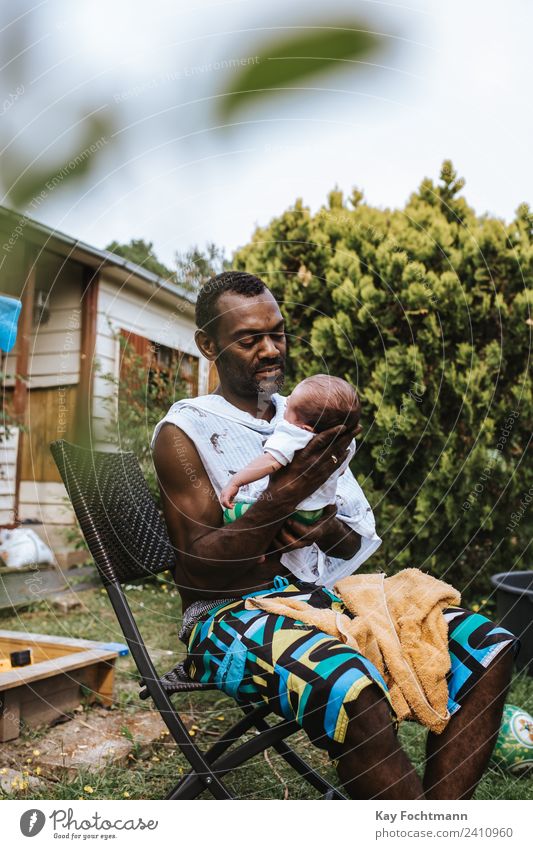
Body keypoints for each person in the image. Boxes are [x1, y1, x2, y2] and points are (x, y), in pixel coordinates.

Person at [152, 270, 516, 800]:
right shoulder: (183, 434)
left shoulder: (302, 419)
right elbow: (204, 571)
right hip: (225, 615)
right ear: (208, 344)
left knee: (489, 648)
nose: (271, 350)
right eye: (250, 339)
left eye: (278, 334)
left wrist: (321, 523)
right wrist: (288, 490)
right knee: (352, 687)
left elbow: (348, 542)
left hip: (317, 596)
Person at [219, 374, 361, 581]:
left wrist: (236, 481)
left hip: (294, 509)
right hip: (315, 512)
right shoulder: (344, 444)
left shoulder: (295, 434)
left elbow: (271, 461)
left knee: (235, 515)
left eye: (289, 407)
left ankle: (254, 552)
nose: (283, 408)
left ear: (306, 428)